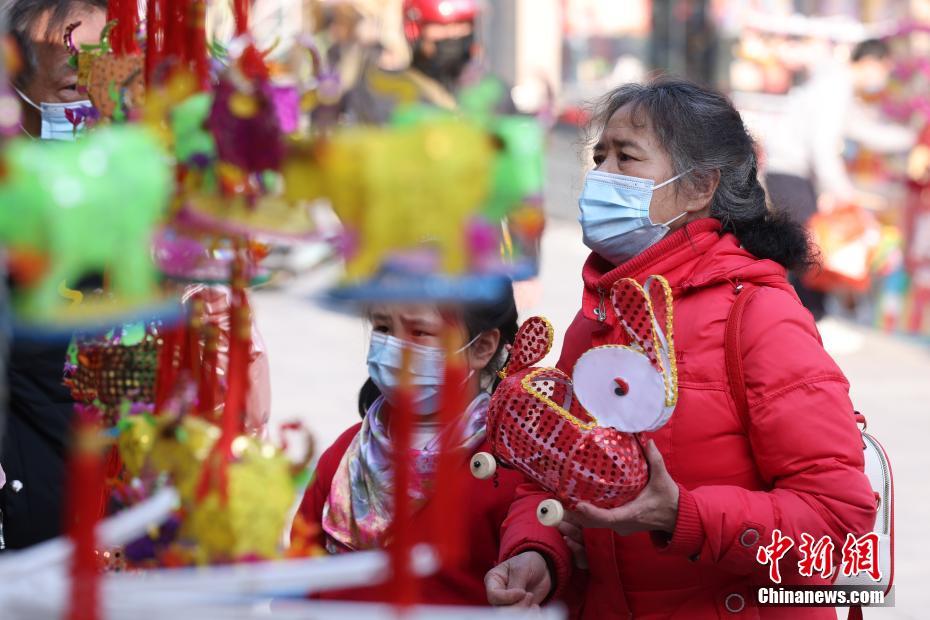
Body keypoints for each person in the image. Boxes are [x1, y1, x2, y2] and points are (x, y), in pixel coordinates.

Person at [485, 77, 876, 618]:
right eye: (599, 157)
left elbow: (836, 522)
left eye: (627, 158)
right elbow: (549, 473)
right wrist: (539, 552)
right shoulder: (596, 319)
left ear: (699, 187)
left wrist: (681, 515)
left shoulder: (759, 317)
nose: (602, 176)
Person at [292, 286, 570, 605]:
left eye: (420, 332)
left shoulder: (512, 468)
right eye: (383, 328)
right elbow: (299, 570)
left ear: (481, 347)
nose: (394, 347)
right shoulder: (347, 453)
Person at [0, 0, 107, 552]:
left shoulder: (149, 186)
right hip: (32, 496)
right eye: (69, 86)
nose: (90, 93)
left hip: (132, 493)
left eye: (104, 69)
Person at [764, 38, 915, 320]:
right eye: (884, 70)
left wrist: (910, 138)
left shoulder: (838, 87)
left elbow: (863, 130)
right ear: (871, 63)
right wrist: (842, 190)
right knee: (812, 251)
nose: (882, 79)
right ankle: (807, 320)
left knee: (809, 249)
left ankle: (806, 320)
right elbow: (823, 146)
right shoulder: (835, 86)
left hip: (795, 173)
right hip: (789, 171)